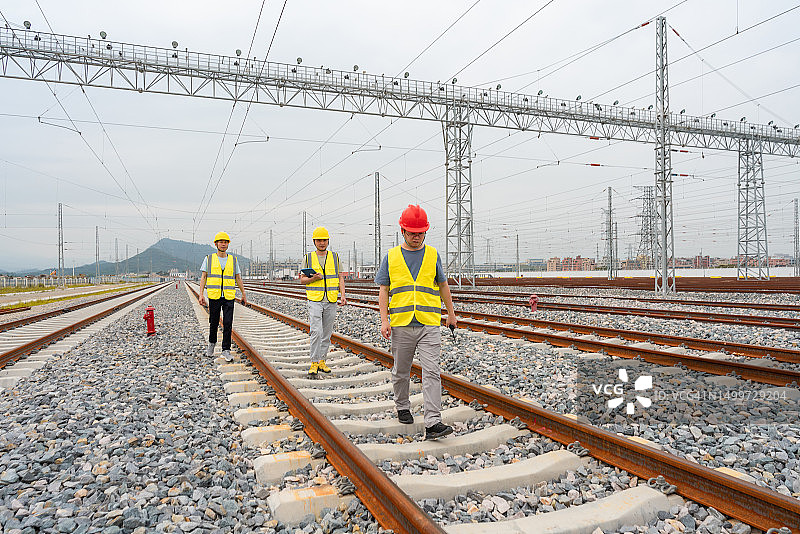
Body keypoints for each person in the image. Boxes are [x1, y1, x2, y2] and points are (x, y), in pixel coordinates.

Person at [376, 205, 457, 440]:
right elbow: (383, 290)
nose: (416, 236)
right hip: (401, 323)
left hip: (429, 324)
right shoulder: (391, 257)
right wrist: (384, 320)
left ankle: (433, 422)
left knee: (432, 371)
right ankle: (402, 406)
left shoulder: (433, 255)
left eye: (420, 232)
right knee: (401, 371)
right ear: (402, 231)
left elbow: (443, 285)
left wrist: (451, 314)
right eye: (412, 232)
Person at [299, 227, 347, 375]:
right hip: (315, 300)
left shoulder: (334, 257)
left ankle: (322, 361)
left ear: (328, 241)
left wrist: (343, 295)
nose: (322, 243)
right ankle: (314, 361)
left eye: (324, 240)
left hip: (331, 299)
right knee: (316, 331)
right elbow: (302, 280)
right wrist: (313, 278)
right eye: (319, 240)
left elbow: (340, 278)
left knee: (326, 333)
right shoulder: (308, 258)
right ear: (314, 242)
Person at [198, 231, 248, 362]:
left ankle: (226, 350)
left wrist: (243, 294)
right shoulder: (208, 259)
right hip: (214, 296)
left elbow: (238, 278)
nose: (223, 244)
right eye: (221, 242)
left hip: (228, 296)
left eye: (225, 242)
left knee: (228, 323)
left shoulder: (233, 260)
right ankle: (211, 346)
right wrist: (201, 294)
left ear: (228, 244)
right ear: (216, 244)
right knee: (213, 322)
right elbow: (204, 277)